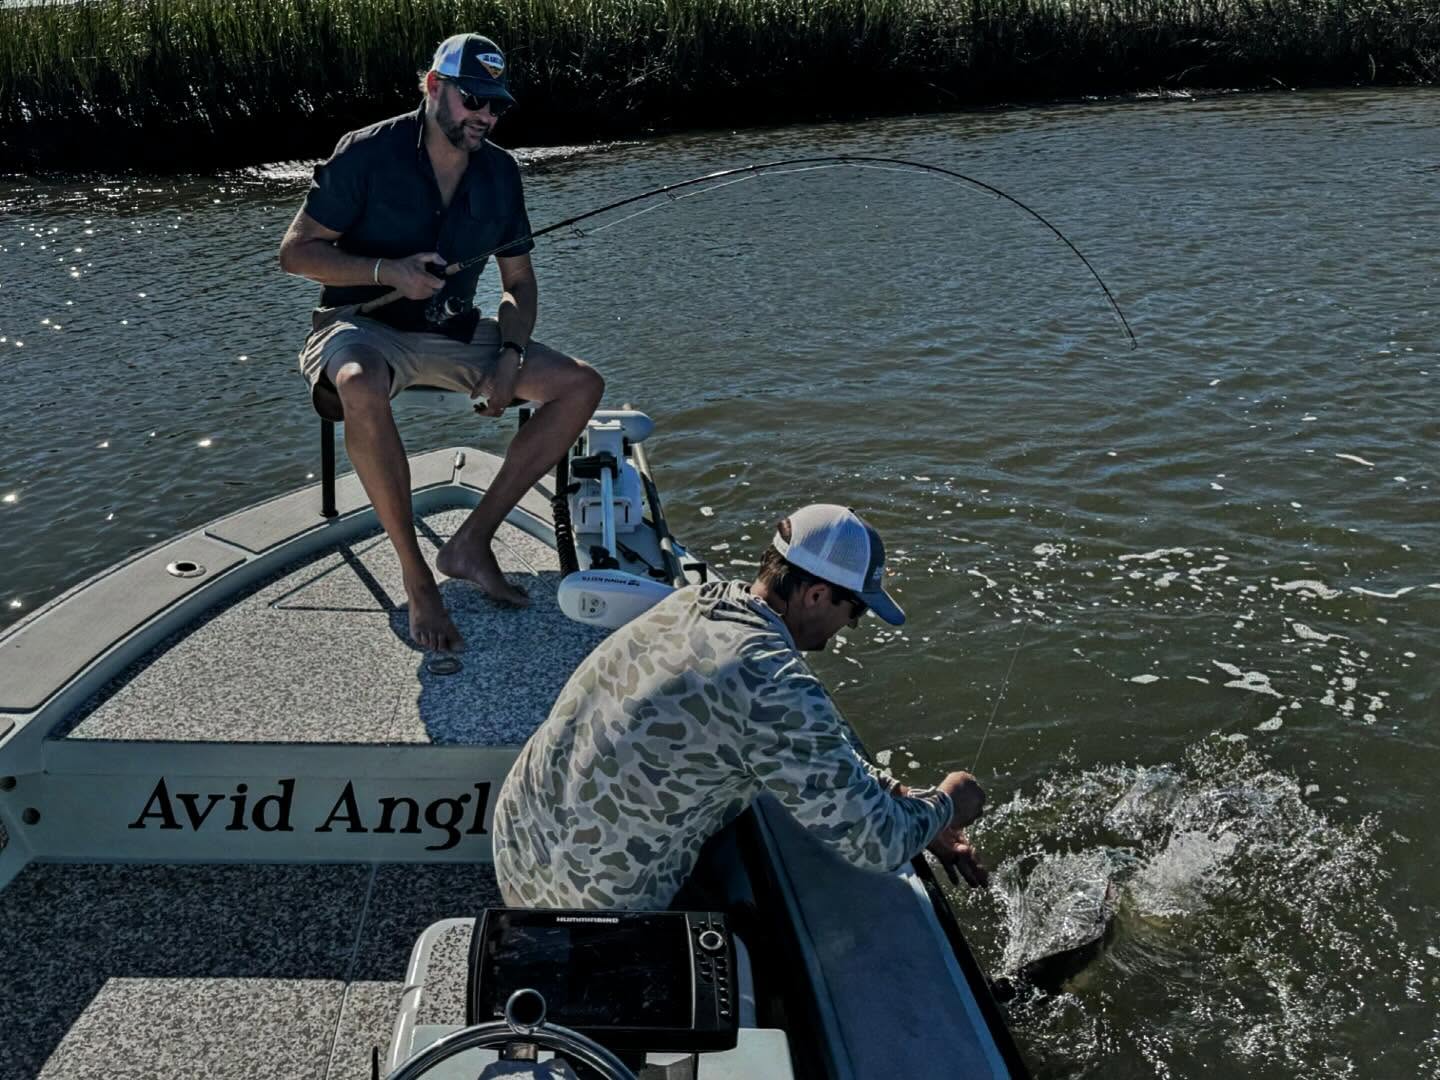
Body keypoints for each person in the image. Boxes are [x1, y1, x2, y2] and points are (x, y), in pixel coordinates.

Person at [493, 503, 988, 910]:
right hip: (583, 905)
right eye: (854, 611)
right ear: (817, 595)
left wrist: (902, 796)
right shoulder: (772, 680)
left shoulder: (695, 602)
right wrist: (948, 802)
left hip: (516, 847)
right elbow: (875, 843)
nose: (851, 627)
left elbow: (812, 750)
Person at [278, 33, 604, 652]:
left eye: (496, 105)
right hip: (360, 328)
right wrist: (387, 271)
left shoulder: (501, 172)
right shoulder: (366, 152)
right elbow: (294, 254)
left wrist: (510, 356)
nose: (485, 115)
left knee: (581, 385)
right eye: (472, 99)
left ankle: (471, 542)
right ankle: (416, 574)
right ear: (434, 86)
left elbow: (519, 282)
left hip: (453, 329)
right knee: (358, 383)